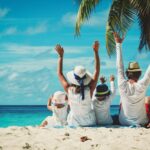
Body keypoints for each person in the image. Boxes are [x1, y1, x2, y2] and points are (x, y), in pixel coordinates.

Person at [55, 41, 100, 127]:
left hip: (74, 123)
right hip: (89, 122)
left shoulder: (69, 90)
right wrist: (96, 52)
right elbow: (97, 71)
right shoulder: (89, 90)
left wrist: (60, 56)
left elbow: (59, 73)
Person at [114, 32, 150, 127]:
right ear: (140, 73)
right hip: (142, 122)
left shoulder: (122, 84)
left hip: (123, 122)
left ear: (127, 73)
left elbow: (119, 67)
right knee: (148, 99)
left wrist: (118, 44)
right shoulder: (142, 85)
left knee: (121, 101)